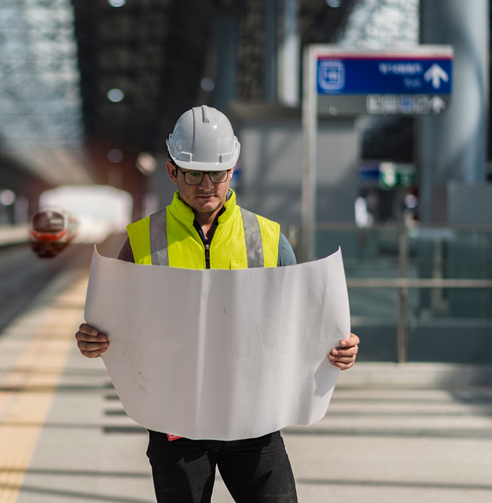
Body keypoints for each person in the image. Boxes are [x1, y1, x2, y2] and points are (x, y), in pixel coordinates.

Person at [75, 105, 360, 503]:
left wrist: (339, 347)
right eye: (193, 173)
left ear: (233, 168)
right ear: (172, 171)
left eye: (219, 172)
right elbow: (110, 327)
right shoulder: (140, 242)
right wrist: (92, 340)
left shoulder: (268, 237)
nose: (206, 184)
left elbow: (306, 320)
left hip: (255, 423)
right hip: (177, 424)